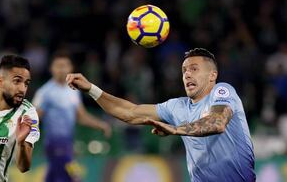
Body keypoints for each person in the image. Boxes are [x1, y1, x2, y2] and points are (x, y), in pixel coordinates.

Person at [66, 48, 255, 182]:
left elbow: (217, 122)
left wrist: (174, 129)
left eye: (194, 69)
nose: (187, 74)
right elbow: (130, 112)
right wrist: (91, 89)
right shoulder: (177, 107)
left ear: (212, 75)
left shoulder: (222, 91)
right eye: (184, 71)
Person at [32, 52, 111, 182]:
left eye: (65, 66)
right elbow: (33, 117)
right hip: (54, 143)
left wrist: (100, 124)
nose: (62, 69)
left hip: (67, 143)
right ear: (51, 69)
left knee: (54, 177)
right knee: (73, 177)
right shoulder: (45, 92)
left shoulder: (73, 91)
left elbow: (81, 116)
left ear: (71, 68)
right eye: (58, 66)